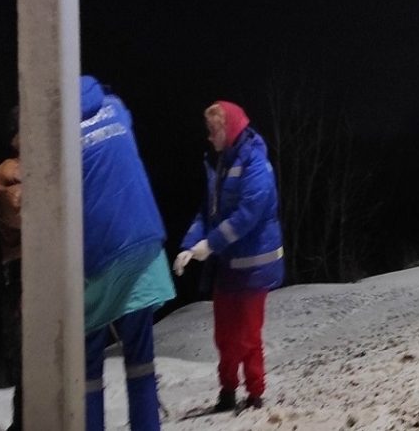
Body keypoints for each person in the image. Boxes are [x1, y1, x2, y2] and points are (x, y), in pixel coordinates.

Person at [174, 100, 284, 412]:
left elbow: (247, 214)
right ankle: (227, 391)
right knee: (225, 335)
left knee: (248, 335)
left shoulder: (256, 165)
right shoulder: (219, 164)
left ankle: (255, 393)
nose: (209, 137)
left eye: (213, 131)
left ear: (229, 129)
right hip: (229, 265)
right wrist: (190, 244)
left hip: (254, 267)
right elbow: (208, 213)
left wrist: (209, 245)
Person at [80, 75, 176, 431]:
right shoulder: (116, 109)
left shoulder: (57, 128)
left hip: (97, 253)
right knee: (140, 359)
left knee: (86, 367)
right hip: (143, 243)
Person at [0, 106, 22, 431]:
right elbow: (23, 211)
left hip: (43, 272)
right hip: (22, 270)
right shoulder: (9, 172)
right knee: (28, 355)